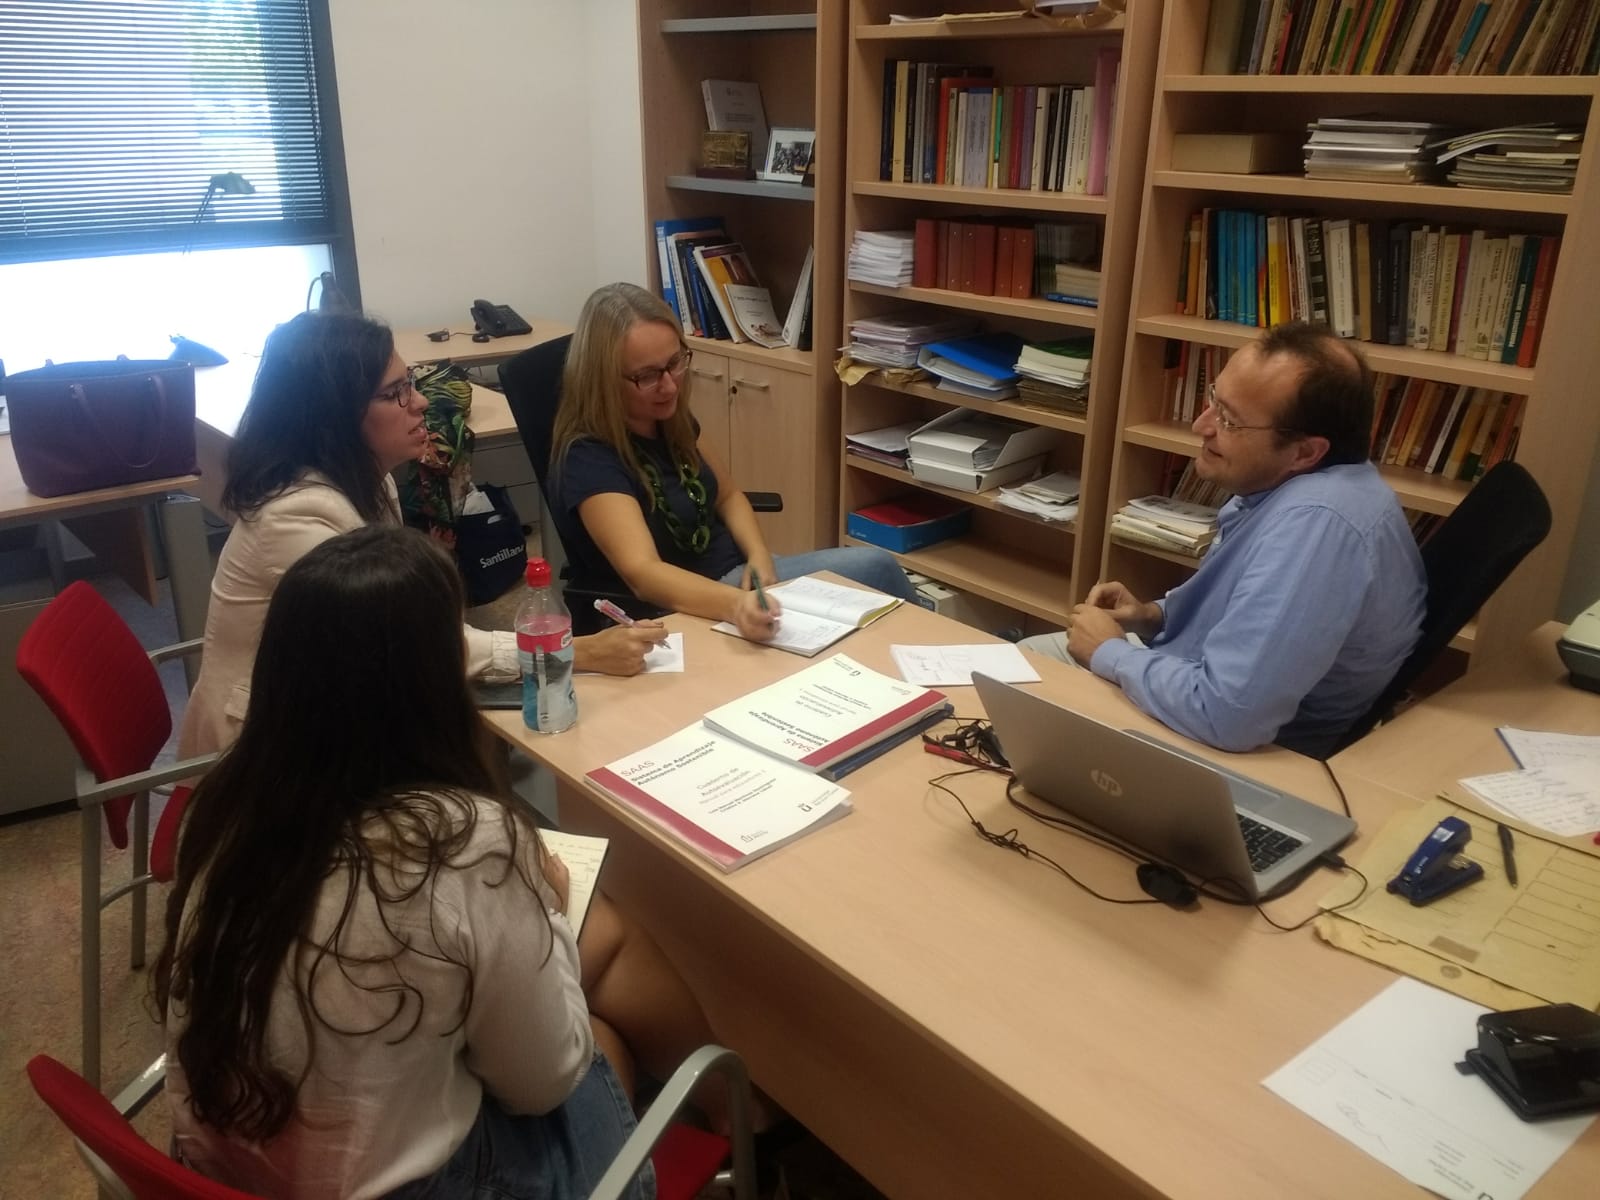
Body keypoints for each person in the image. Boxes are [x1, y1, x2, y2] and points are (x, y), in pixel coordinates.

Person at [156, 526, 720, 1199]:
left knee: (595, 941)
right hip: (407, 1183)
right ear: (430, 683)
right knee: (597, 1034)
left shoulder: (228, 805)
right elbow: (547, 1080)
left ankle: (711, 1098)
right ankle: (732, 1108)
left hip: (233, 1166)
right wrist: (541, 904)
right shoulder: (461, 841)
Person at [177, 311, 666, 760]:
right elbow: (412, 641)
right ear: (334, 414)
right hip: (266, 757)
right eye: (395, 394)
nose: (423, 402)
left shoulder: (368, 481)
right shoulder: (295, 518)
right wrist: (576, 651)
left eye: (410, 382)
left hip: (337, 704)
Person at [1023, 322, 1426, 758]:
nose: (1201, 425)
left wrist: (1111, 653)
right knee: (1020, 667)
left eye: (1230, 421)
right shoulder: (1314, 486)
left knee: (1018, 686)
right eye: (1214, 400)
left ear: (1305, 452)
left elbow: (1230, 716)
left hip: (1248, 752)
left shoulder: (1317, 527)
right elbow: (1243, 615)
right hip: (1200, 689)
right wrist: (1153, 616)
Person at [549, 282, 920, 643]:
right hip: (691, 603)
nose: (670, 386)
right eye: (647, 375)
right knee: (874, 571)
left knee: (874, 582)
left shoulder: (669, 419)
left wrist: (760, 555)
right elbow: (643, 574)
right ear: (602, 380)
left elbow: (728, 496)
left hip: (742, 579)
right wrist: (737, 605)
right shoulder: (589, 458)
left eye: (675, 363)